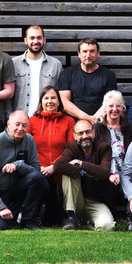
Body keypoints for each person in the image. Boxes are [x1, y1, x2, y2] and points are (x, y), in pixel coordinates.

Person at [0, 110, 49, 230]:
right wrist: (1, 207)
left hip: (15, 190)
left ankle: (28, 221)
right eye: (17, 124)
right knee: (0, 226)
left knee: (38, 178)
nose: (20, 128)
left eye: (24, 125)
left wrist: (18, 166)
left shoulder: (29, 140)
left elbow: (36, 169)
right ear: (9, 124)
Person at [54, 119, 116, 231]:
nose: (85, 136)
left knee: (108, 227)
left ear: (93, 132)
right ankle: (72, 218)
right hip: (76, 200)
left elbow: (104, 172)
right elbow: (58, 165)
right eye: (80, 133)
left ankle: (89, 224)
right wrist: (85, 173)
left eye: (88, 132)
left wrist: (80, 163)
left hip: (96, 201)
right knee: (68, 174)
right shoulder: (72, 146)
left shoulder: (104, 147)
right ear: (74, 136)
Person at [28, 85, 75, 226]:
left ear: (59, 101)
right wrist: (39, 167)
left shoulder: (69, 121)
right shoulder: (32, 121)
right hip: (38, 172)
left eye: (53, 98)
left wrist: (54, 166)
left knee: (52, 221)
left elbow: (70, 149)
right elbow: (28, 148)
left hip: (58, 173)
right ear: (41, 101)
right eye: (46, 98)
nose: (50, 101)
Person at [58, 38, 118, 121]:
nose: (88, 55)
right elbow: (64, 102)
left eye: (92, 51)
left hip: (100, 123)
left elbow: (110, 102)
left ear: (98, 53)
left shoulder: (108, 75)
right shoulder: (67, 73)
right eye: (85, 51)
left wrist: (95, 119)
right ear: (79, 54)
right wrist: (86, 118)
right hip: (73, 124)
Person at [93, 90, 132, 193]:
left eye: (118, 105)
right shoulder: (97, 129)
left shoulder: (131, 130)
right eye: (111, 106)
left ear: (123, 107)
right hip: (103, 177)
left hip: (127, 179)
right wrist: (108, 175)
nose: (114, 109)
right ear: (105, 108)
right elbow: (93, 156)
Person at [12, 25, 62, 116]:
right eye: (32, 38)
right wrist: (9, 118)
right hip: (21, 121)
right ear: (25, 41)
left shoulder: (55, 64)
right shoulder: (14, 63)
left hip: (46, 120)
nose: (35, 41)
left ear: (44, 40)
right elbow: (9, 96)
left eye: (39, 38)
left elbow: (60, 96)